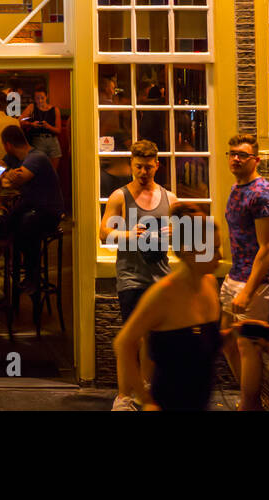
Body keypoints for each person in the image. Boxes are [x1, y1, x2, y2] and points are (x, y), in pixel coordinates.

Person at [114, 204, 230, 411]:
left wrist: (239, 333)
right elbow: (123, 344)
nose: (219, 256)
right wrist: (144, 398)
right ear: (188, 250)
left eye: (218, 247)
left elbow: (204, 342)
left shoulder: (210, 284)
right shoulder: (163, 294)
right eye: (212, 249)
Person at [98, 138, 174, 409]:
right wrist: (130, 234)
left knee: (154, 338)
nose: (143, 172)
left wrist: (172, 233)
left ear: (157, 166)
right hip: (131, 277)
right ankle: (124, 396)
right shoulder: (121, 196)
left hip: (161, 276)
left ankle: (146, 393)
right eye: (138, 167)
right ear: (131, 164)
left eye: (148, 168)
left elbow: (187, 239)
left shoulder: (170, 198)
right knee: (132, 337)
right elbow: (104, 233)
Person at [221, 132, 269, 411]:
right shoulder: (238, 188)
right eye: (232, 153)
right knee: (226, 337)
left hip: (258, 282)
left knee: (248, 345)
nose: (235, 158)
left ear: (255, 160)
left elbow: (268, 247)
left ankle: (249, 406)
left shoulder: (261, 195)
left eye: (242, 155)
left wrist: (248, 290)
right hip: (236, 273)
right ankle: (252, 401)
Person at [0, 125, 65, 297]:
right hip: (32, 206)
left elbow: (16, 181)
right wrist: (7, 172)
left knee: (25, 226)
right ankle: (16, 269)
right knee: (8, 220)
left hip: (49, 211)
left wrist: (7, 175)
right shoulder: (14, 157)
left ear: (7, 145)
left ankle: (32, 277)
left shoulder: (36, 157)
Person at [22, 87, 64, 172]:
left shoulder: (55, 109)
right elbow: (21, 120)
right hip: (38, 140)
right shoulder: (32, 107)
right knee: (39, 170)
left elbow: (58, 130)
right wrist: (31, 124)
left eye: (42, 98)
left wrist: (48, 126)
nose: (40, 100)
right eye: (37, 98)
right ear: (34, 98)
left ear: (46, 97)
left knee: (53, 171)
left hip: (53, 141)